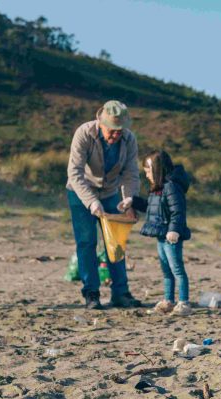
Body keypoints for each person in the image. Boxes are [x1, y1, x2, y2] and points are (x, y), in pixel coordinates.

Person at [67, 100, 142, 309]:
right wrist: (91, 202)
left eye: (120, 130)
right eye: (112, 130)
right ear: (100, 122)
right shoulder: (84, 133)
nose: (116, 135)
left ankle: (120, 293)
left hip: (110, 193)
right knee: (87, 242)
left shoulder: (129, 139)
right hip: (80, 192)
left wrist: (130, 200)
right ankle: (91, 293)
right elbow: (74, 172)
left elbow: (131, 173)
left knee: (116, 244)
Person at [130, 150, 192, 316]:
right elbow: (151, 208)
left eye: (149, 171)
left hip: (171, 237)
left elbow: (178, 211)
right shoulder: (157, 189)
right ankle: (168, 300)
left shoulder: (171, 187)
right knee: (166, 270)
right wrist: (132, 201)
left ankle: (184, 302)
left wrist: (174, 230)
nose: (147, 175)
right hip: (161, 236)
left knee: (177, 269)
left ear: (158, 169)